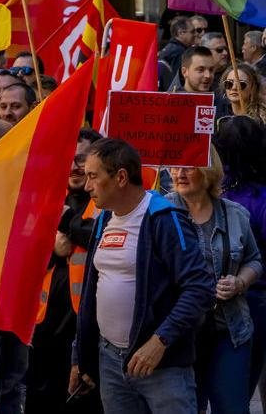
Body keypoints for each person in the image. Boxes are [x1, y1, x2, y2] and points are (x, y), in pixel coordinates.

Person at [70, 138, 214, 412]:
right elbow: (92, 290)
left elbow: (199, 288)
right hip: (110, 361)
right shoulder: (104, 218)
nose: (87, 186)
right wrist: (80, 355)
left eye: (93, 176)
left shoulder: (164, 218)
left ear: (121, 177)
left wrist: (159, 342)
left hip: (162, 367)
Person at [166, 150, 261, 414]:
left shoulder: (235, 214)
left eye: (189, 167)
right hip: (178, 335)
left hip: (229, 331)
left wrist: (239, 282)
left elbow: (255, 260)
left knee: (231, 408)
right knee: (186, 408)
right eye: (175, 167)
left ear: (208, 171)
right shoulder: (160, 213)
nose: (179, 173)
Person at [27, 129, 103, 414]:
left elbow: (101, 237)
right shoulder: (45, 197)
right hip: (44, 326)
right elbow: (22, 253)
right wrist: (51, 250)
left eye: (81, 159)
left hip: (87, 325)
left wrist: (67, 221)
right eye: (68, 158)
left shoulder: (104, 201)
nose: (73, 166)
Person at [213, 116, 266, 397]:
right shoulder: (216, 190)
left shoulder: (215, 191)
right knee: (237, 391)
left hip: (250, 297)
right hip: (246, 298)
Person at [158, 16, 195, 83]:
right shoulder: (179, 52)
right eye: (192, 32)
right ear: (180, 33)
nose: (195, 34)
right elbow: (179, 80)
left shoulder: (169, 48)